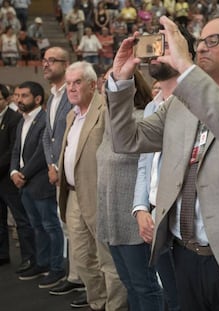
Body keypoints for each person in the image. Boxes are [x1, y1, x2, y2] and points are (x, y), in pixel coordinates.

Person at [106, 13, 219, 311]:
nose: (202, 47)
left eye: (213, 40)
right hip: (185, 253)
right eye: (200, 41)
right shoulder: (181, 102)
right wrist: (121, 80)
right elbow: (128, 139)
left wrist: (186, 70)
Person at [133, 25, 198, 311]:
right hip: (156, 216)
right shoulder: (151, 108)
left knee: (192, 301)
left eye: (164, 46)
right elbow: (144, 165)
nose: (154, 54)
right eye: (152, 47)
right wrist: (140, 208)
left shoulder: (201, 103)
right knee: (172, 298)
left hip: (190, 223)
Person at [58, 61, 127, 311]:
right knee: (82, 258)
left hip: (100, 196)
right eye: (68, 83)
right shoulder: (70, 115)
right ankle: (98, 303)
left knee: (108, 261)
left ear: (92, 84)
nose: (72, 88)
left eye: (77, 82)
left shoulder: (105, 109)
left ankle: (116, 307)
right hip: (73, 195)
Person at [96, 66, 166, 311]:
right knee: (128, 283)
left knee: (144, 286)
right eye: (104, 83)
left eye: (110, 83)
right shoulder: (107, 123)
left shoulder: (139, 120)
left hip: (134, 221)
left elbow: (149, 170)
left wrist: (142, 208)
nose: (104, 88)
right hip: (112, 218)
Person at [10, 81, 66, 288]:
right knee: (36, 227)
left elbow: (43, 153)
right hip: (24, 184)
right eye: (16, 95)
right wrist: (14, 171)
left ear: (37, 99)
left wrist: (22, 174)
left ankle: (57, 268)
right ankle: (42, 264)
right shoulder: (21, 121)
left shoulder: (44, 120)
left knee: (50, 226)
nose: (18, 99)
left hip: (41, 182)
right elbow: (17, 149)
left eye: (23, 96)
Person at [41, 47, 86, 298]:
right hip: (58, 174)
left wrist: (59, 166)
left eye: (52, 61)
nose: (46, 65)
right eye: (44, 60)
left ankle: (87, 283)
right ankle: (75, 276)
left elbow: (78, 135)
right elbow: (49, 136)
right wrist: (51, 164)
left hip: (76, 175)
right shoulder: (52, 96)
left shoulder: (73, 93)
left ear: (66, 63)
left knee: (80, 232)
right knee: (68, 228)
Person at [0, 83, 35, 272]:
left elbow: (13, 150)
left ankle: (29, 258)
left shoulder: (14, 118)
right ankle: (2, 255)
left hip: (9, 178)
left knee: (22, 221)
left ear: (6, 100)